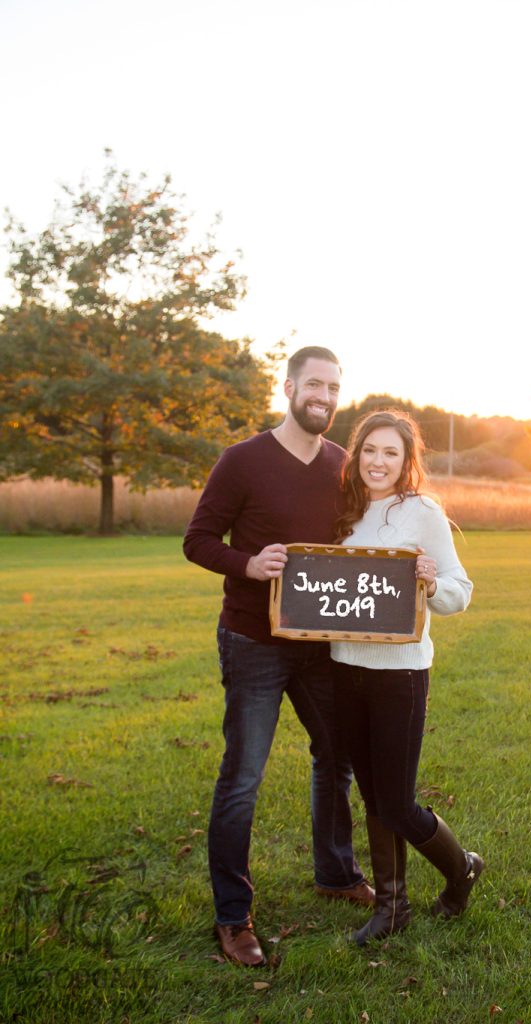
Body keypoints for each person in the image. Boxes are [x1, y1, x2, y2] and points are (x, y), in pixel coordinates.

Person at [183, 346, 373, 968]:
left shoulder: (344, 464)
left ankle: (336, 873)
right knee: (244, 776)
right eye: (314, 383)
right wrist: (248, 562)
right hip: (252, 642)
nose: (324, 395)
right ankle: (233, 917)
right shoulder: (242, 460)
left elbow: (359, 543)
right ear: (289, 386)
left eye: (334, 387)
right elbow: (197, 540)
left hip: (320, 645)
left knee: (337, 756)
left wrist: (415, 563)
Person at [330, 409, 483, 945]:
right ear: (358, 454)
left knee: (395, 800)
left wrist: (431, 579)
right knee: (372, 795)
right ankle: (392, 909)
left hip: (401, 674)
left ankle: (461, 866)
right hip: (344, 669)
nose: (378, 461)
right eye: (370, 450)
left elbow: (459, 592)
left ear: (406, 460)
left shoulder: (421, 512)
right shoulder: (342, 511)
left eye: (390, 452)